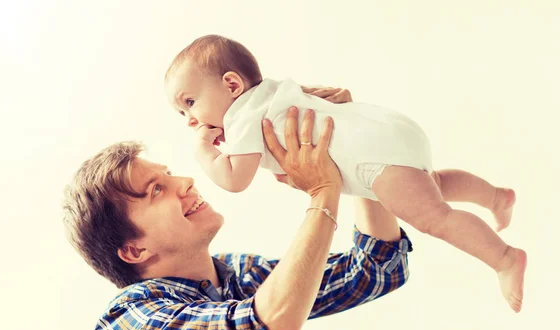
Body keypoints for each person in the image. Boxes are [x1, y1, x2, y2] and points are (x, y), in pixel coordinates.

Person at [63, 106, 412, 330]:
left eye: (170, 175)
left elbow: (373, 273)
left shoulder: (241, 275)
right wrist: (322, 192)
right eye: (156, 190)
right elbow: (266, 327)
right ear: (134, 251)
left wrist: (354, 156)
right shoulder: (129, 323)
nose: (186, 182)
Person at [164, 34, 526, 313]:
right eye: (182, 115)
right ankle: (496, 196)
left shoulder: (241, 117)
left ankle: (505, 258)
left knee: (435, 217)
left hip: (372, 159)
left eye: (190, 103)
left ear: (231, 85)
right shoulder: (271, 93)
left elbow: (234, 180)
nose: (191, 120)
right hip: (385, 131)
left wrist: (204, 150)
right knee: (435, 185)